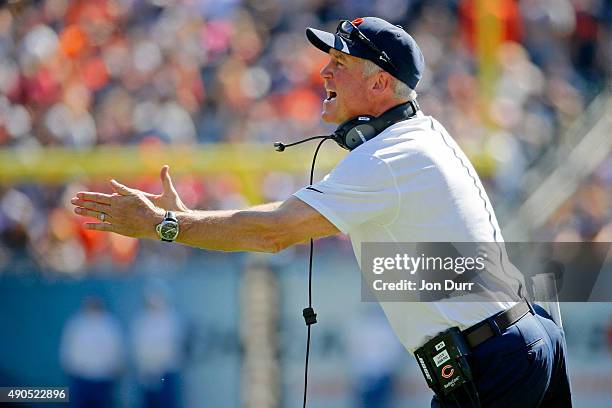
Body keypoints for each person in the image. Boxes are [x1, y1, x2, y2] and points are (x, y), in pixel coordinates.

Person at [71, 17, 571, 407]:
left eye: (341, 62)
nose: (324, 72)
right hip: (520, 337)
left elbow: (273, 234)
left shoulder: (389, 156)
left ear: (380, 85)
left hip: (493, 358)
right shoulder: (417, 136)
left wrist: (165, 225)